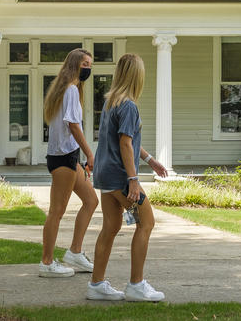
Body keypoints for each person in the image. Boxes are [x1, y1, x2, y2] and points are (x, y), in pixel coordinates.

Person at [87, 53, 168, 302]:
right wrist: (133, 179)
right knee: (147, 223)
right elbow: (124, 143)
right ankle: (136, 285)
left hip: (105, 173)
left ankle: (97, 285)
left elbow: (128, 142)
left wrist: (150, 160)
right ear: (137, 76)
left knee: (111, 227)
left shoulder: (112, 103)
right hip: (120, 176)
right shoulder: (129, 106)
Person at [40, 48, 100, 277]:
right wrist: (90, 154)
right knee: (56, 211)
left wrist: (80, 156)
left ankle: (74, 251)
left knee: (91, 200)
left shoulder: (62, 89)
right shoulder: (72, 89)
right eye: (85, 63)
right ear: (75, 64)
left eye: (90, 64)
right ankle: (46, 263)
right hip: (63, 158)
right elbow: (73, 125)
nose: (89, 68)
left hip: (68, 157)